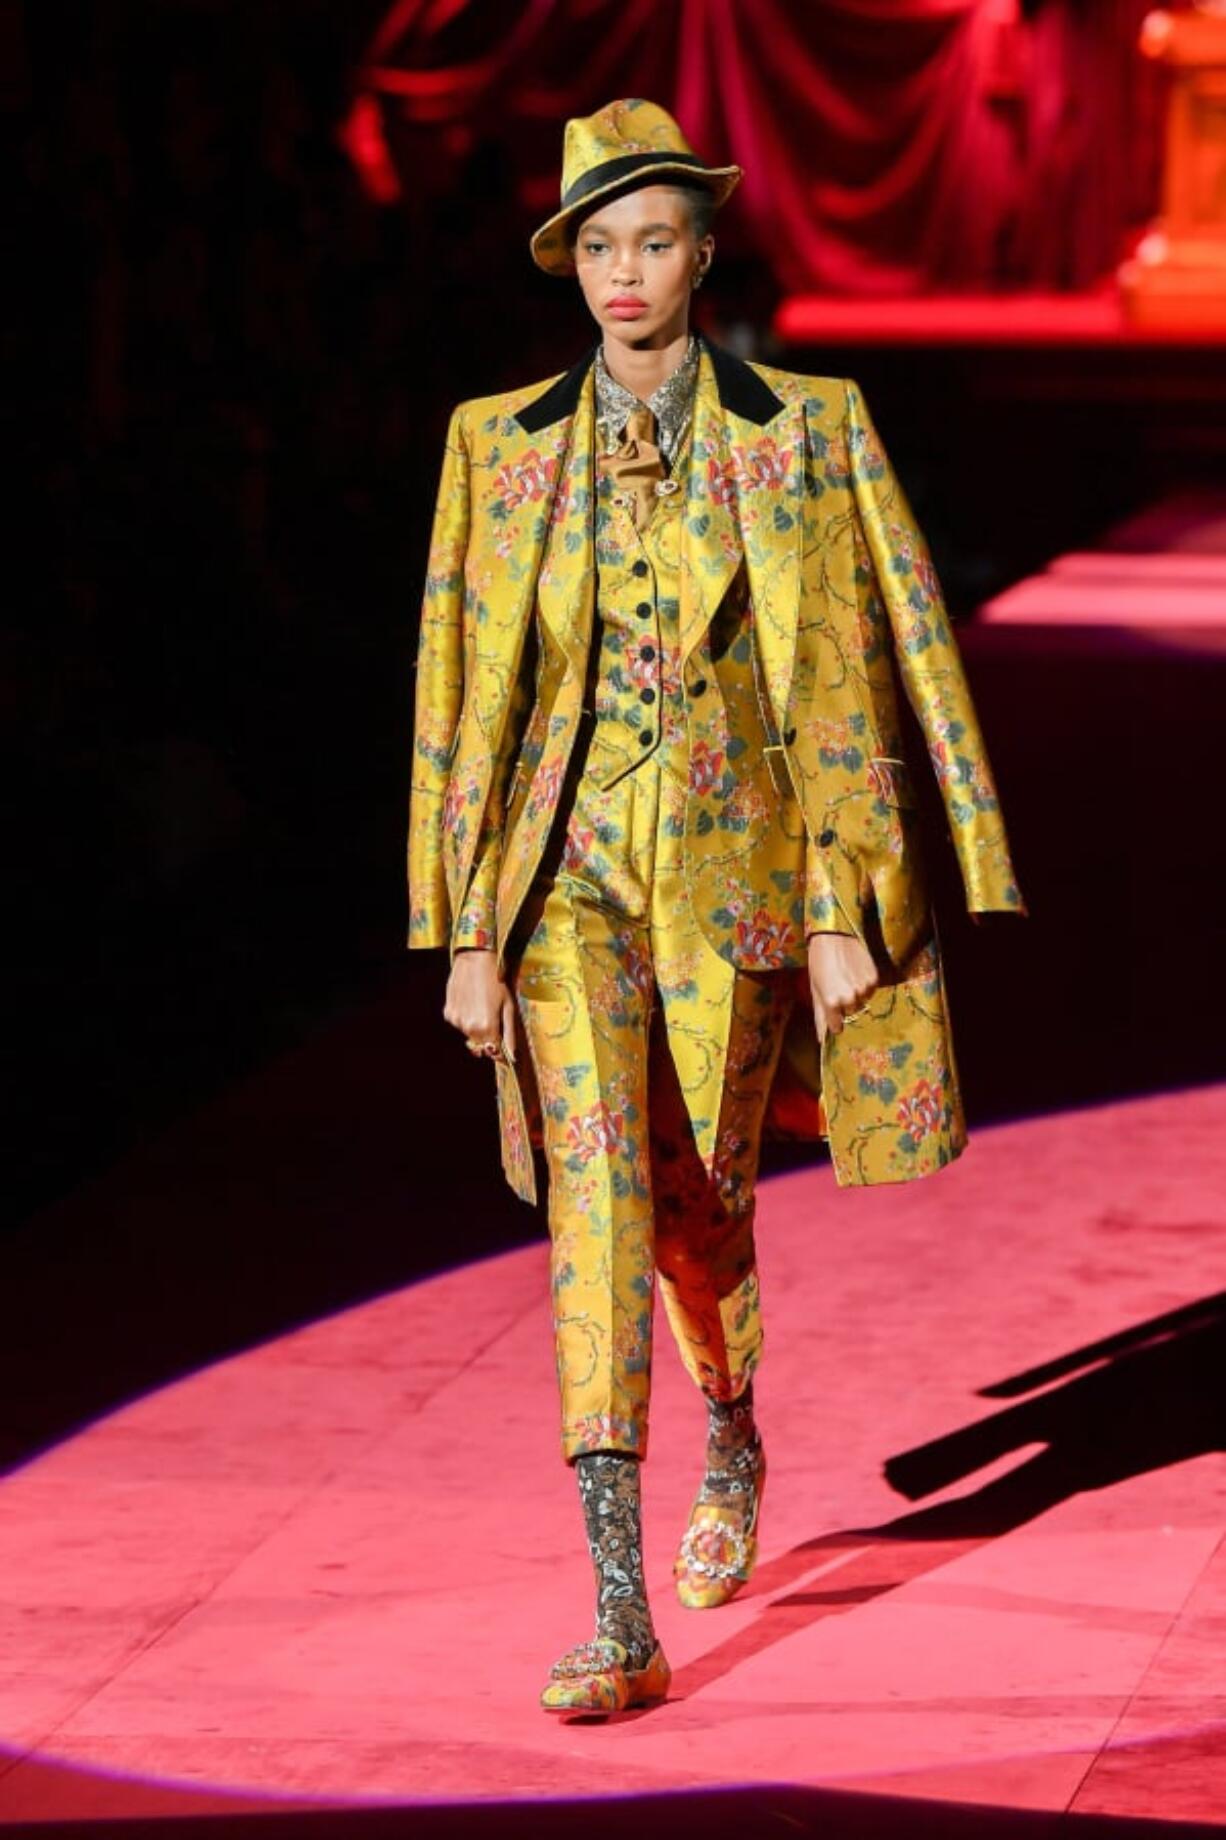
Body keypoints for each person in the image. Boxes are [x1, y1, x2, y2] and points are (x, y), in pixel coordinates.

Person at [408, 99, 1022, 1716]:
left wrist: (852, 898)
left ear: (701, 250)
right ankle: (616, 1604)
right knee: (594, 1200)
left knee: (698, 1203)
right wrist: (463, 927)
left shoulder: (806, 425)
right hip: (564, 880)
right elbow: (462, 694)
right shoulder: (498, 443)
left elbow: (865, 660)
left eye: (653, 240)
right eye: (598, 245)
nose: (625, 272)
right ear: (569, 264)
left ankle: (731, 1419)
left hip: (740, 876)